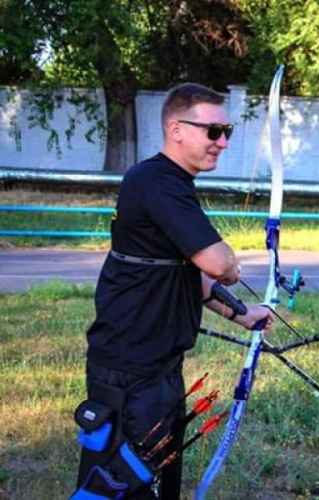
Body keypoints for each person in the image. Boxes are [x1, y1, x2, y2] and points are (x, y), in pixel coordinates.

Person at [75, 83, 273, 499]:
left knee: (153, 478)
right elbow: (217, 264)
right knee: (124, 480)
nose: (221, 142)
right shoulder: (157, 181)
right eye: (212, 131)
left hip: (153, 361)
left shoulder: (169, 183)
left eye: (227, 131)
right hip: (133, 366)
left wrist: (244, 315)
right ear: (176, 128)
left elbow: (189, 273)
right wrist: (231, 265)